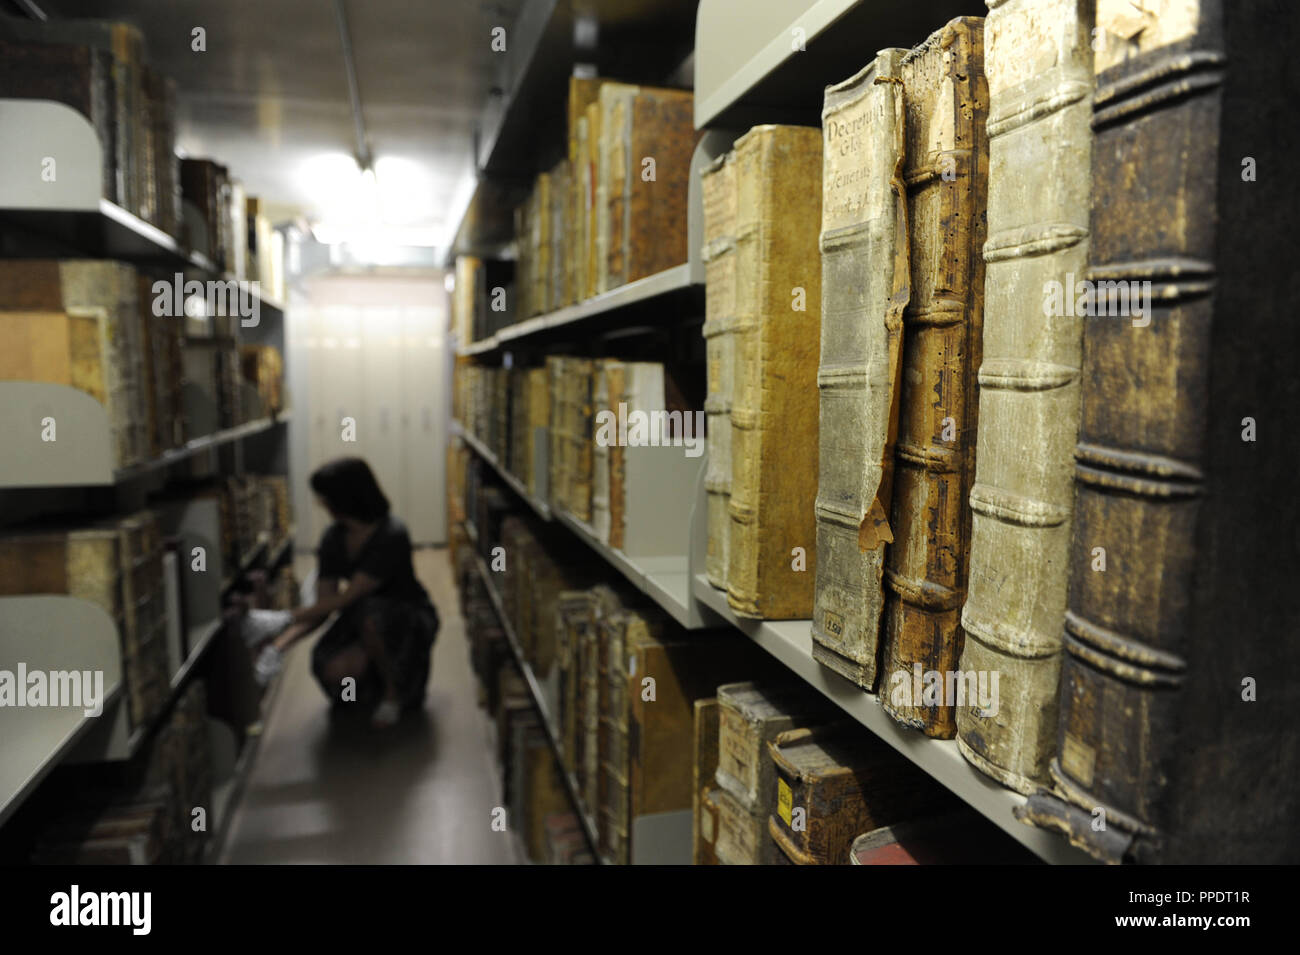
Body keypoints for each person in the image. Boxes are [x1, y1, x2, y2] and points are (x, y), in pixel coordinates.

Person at [254, 457, 439, 729]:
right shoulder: (333, 539)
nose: (321, 504)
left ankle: (393, 694)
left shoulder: (391, 534)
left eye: (325, 497)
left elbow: (346, 598)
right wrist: (277, 647)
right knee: (334, 670)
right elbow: (325, 605)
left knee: (372, 615)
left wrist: (282, 617)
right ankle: (367, 687)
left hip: (403, 618)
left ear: (344, 498)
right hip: (360, 621)